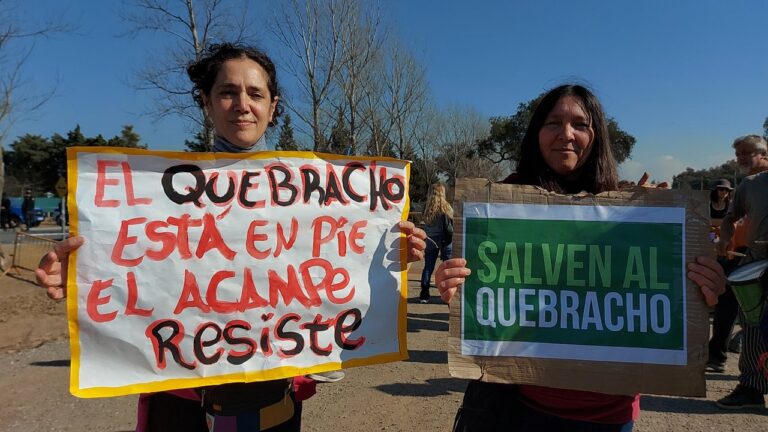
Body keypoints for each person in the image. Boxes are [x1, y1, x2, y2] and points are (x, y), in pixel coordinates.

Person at [35, 43, 427, 432]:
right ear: (207, 102)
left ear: (272, 108)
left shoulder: (316, 198)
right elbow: (135, 274)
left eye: (255, 94)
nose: (242, 104)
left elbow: (337, 275)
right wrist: (80, 275)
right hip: (180, 397)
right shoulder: (153, 193)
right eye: (228, 92)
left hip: (271, 394)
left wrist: (386, 255)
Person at [434, 84, 726, 431]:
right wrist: (453, 283)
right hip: (519, 408)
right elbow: (479, 291)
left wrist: (704, 286)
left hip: (609, 415)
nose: (566, 135)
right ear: (537, 133)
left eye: (580, 124)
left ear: (597, 134)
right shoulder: (500, 204)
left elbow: (672, 298)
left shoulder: (632, 208)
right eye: (553, 123)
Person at [715, 135, 768, 409]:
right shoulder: (749, 186)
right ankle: (751, 387)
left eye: (746, 153)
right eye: (738, 155)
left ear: (764, 153)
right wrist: (725, 237)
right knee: (753, 329)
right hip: (757, 266)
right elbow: (729, 218)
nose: (741, 159)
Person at [419, 182, 453, 303]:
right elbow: (451, 223)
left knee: (428, 267)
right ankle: (448, 293)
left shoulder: (426, 207)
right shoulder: (446, 207)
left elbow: (424, 221)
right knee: (448, 267)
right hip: (445, 239)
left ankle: (424, 293)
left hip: (430, 239)